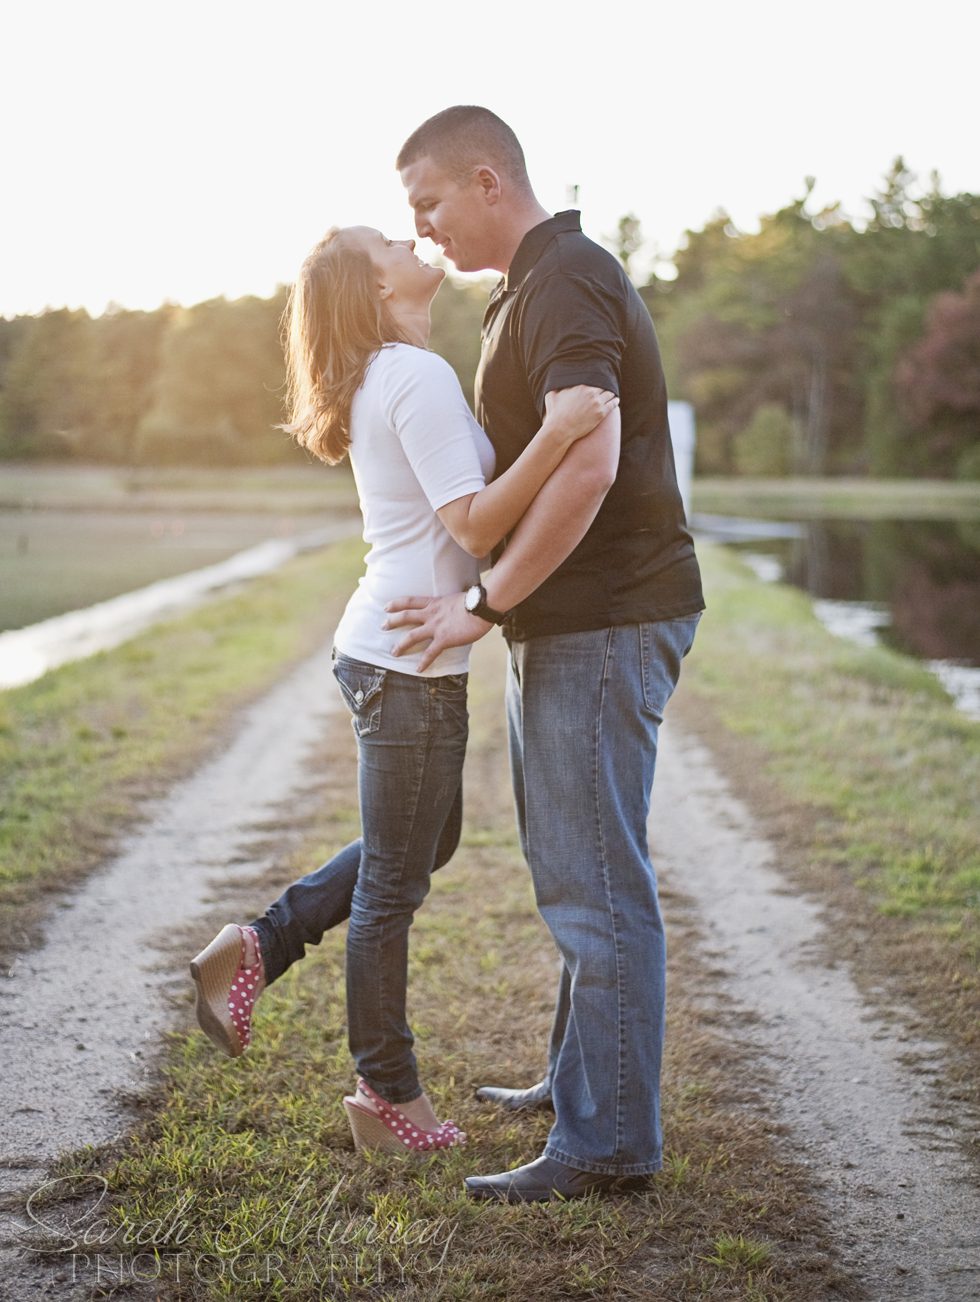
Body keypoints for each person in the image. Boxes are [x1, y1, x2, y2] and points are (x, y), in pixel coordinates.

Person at [189, 223, 616, 1155]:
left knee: (429, 841)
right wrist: (560, 429)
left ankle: (263, 941)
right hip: (406, 659)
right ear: (373, 287)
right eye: (387, 238)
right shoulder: (411, 376)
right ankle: (387, 1096)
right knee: (394, 880)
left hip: (397, 652)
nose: (410, 234)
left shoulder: (402, 371)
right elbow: (471, 522)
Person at [383, 106, 705, 1201]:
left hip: (604, 615)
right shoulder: (516, 290)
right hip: (570, 621)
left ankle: (607, 1140)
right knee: (573, 868)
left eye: (426, 202)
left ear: (485, 179)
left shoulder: (562, 273)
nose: (420, 228)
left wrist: (484, 600)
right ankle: (583, 1084)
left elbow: (590, 452)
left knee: (594, 885)